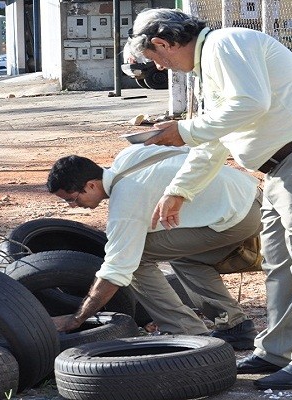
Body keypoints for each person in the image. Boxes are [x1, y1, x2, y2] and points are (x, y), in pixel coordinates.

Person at [127, 8, 292, 390]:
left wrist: (184, 130)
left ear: (163, 43)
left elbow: (251, 104)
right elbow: (213, 140)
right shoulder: (211, 64)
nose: (164, 67)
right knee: (281, 264)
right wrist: (179, 190)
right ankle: (278, 351)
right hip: (285, 167)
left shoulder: (225, 44)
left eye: (157, 59)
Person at [47, 144, 261, 350]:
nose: (73, 206)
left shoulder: (125, 204)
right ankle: (234, 325)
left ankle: (187, 333)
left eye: (72, 199)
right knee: (183, 257)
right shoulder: (129, 155)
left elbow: (116, 270)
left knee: (136, 255)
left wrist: (77, 318)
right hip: (252, 195)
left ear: (91, 185)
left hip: (237, 217)